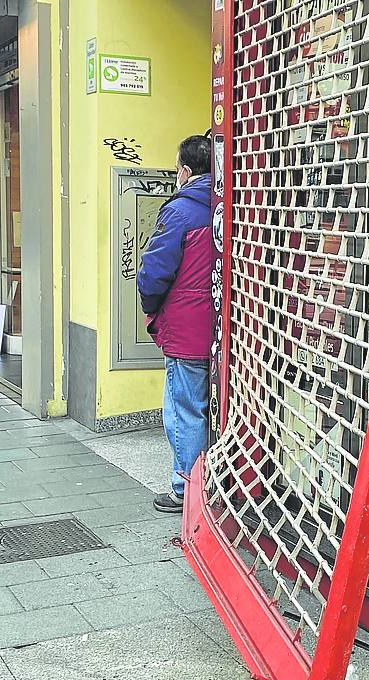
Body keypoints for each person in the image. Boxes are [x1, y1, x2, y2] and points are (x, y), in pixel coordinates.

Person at [138, 135, 218, 513]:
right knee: (210, 407)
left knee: (184, 408)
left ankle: (186, 490)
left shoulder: (180, 211)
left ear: (185, 171)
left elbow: (154, 271)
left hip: (187, 329)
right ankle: (212, 483)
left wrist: (150, 305)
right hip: (227, 329)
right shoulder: (229, 206)